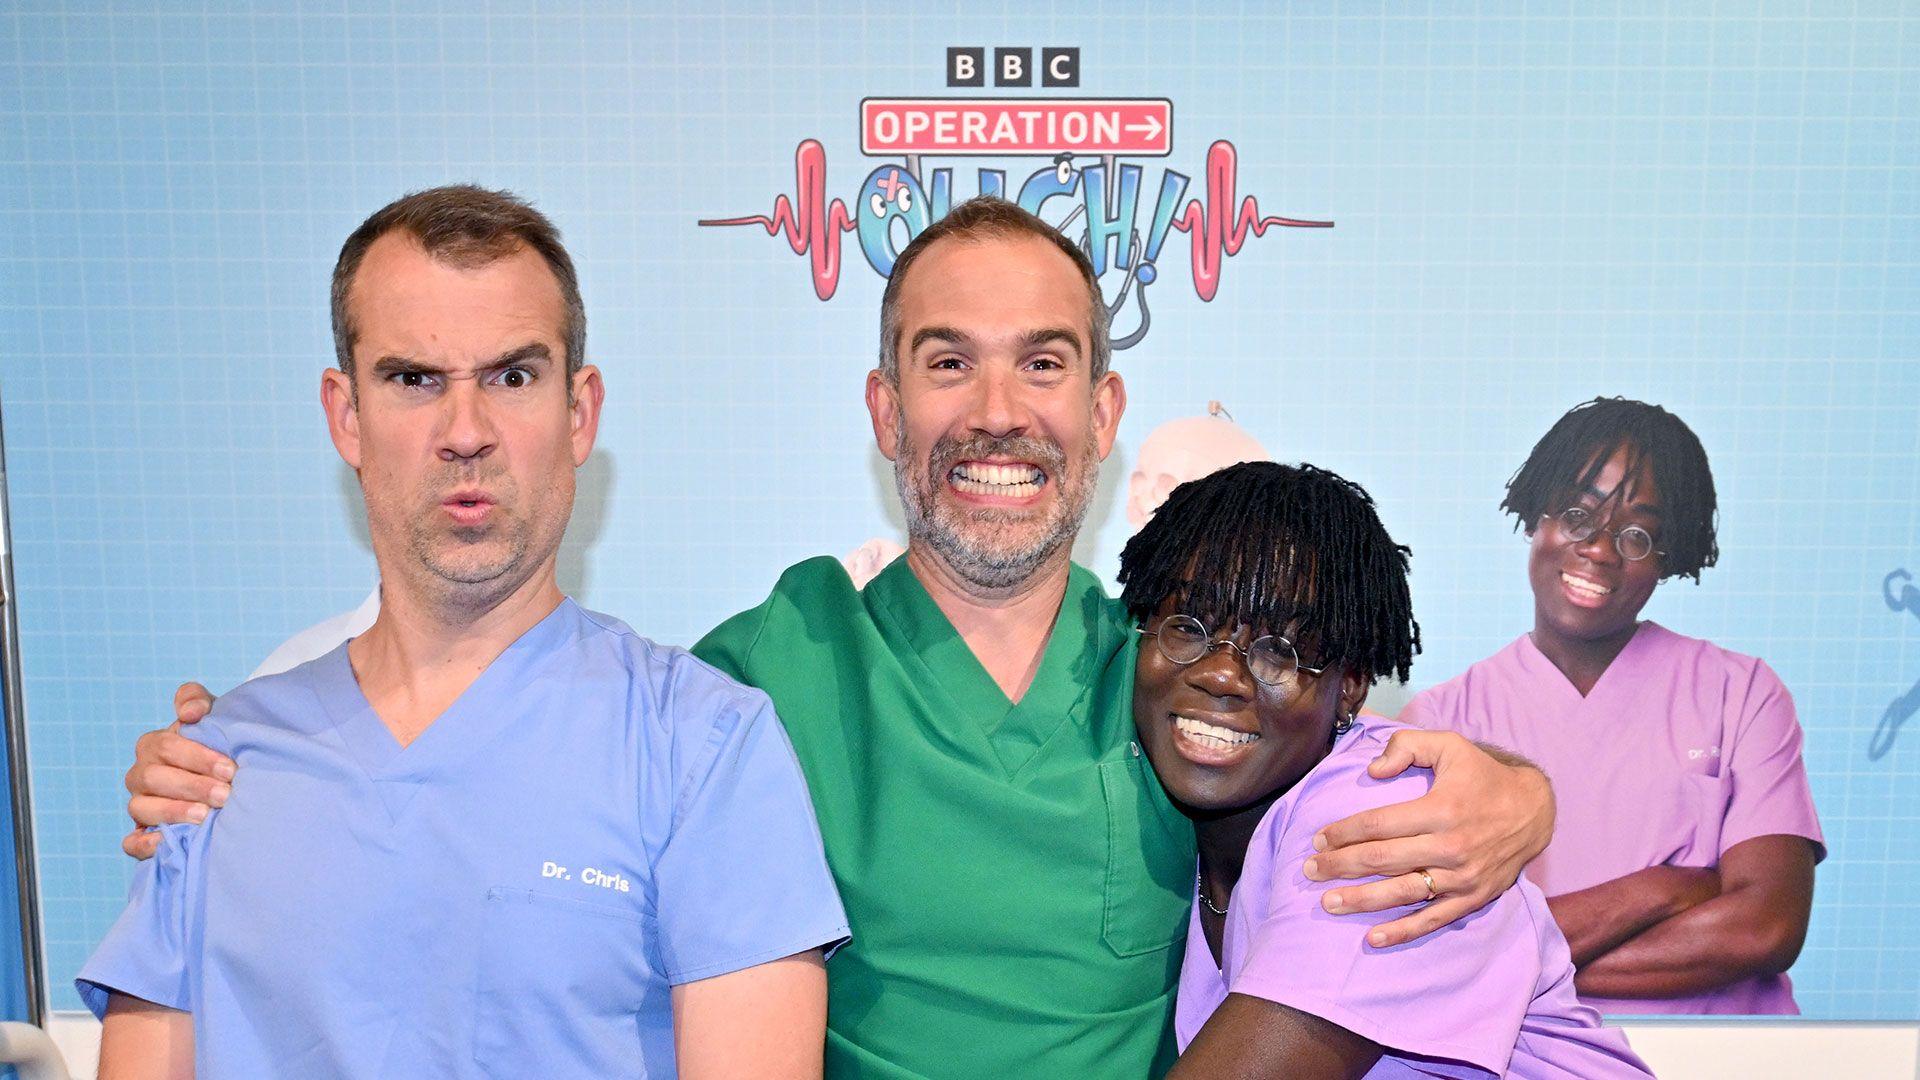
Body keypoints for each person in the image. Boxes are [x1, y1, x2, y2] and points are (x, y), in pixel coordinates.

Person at [122, 197, 1557, 1078]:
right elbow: (518, 745)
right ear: (885, 413)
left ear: (1104, 416)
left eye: (1043, 363)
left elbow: (1353, 785)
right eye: (947, 362)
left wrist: (1520, 792)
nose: (996, 413)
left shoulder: (1179, 681)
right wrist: (249, 762)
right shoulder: (757, 678)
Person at [79, 186, 849, 1078]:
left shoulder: (701, 750)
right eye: (414, 380)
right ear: (345, 415)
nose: (466, 432)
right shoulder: (213, 775)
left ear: (579, 412)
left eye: (512, 378)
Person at [1122, 461, 1652, 1078]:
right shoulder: (1185, 831)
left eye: (1278, 653)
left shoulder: (1379, 822)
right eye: (1188, 628)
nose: (1220, 674)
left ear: (1348, 688)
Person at [1403, 397, 1823, 1015]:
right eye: (1578, 516)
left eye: (1637, 535)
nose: (1600, 550)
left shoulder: (1743, 693)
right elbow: (1435, 950)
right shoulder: (1441, 725)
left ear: (1667, 556)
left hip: (1723, 1053)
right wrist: (1661, 888)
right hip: (1529, 1055)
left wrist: (1517, 964)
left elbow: (1765, 927)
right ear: (1536, 517)